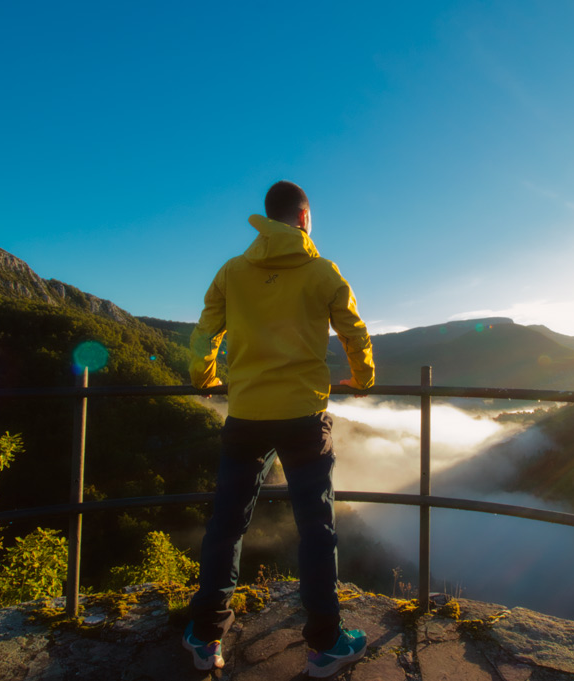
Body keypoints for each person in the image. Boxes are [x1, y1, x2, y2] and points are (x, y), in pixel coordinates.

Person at [182, 180, 375, 676]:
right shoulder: (322, 271)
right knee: (317, 529)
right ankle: (325, 644)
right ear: (304, 218)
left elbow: (206, 331)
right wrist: (363, 378)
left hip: (246, 415)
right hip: (304, 418)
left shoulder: (233, 271)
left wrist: (205, 378)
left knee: (226, 524)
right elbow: (354, 329)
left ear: (267, 218)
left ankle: (205, 637)